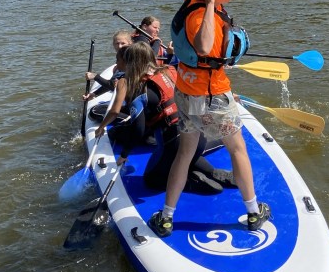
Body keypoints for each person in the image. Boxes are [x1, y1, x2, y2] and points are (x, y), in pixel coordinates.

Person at [147, 0, 270, 238]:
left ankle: (166, 217)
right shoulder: (206, 15)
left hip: (186, 92)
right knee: (237, 149)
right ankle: (254, 212)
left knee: (185, 152)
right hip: (213, 96)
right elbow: (203, 47)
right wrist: (212, 6)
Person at [94, 42, 236, 194]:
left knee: (152, 180)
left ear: (130, 62)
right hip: (199, 136)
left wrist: (123, 155)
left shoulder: (138, 88)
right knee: (184, 155)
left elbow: (138, 130)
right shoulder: (170, 70)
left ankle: (189, 182)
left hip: (173, 141)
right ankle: (213, 172)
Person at [83, 29, 132, 102]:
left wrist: (95, 77)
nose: (120, 46)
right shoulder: (121, 58)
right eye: (117, 43)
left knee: (94, 112)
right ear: (113, 44)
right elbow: (111, 84)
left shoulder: (129, 59)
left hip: (131, 96)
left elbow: (113, 86)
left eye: (123, 43)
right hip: (126, 94)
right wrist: (95, 94)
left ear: (130, 43)